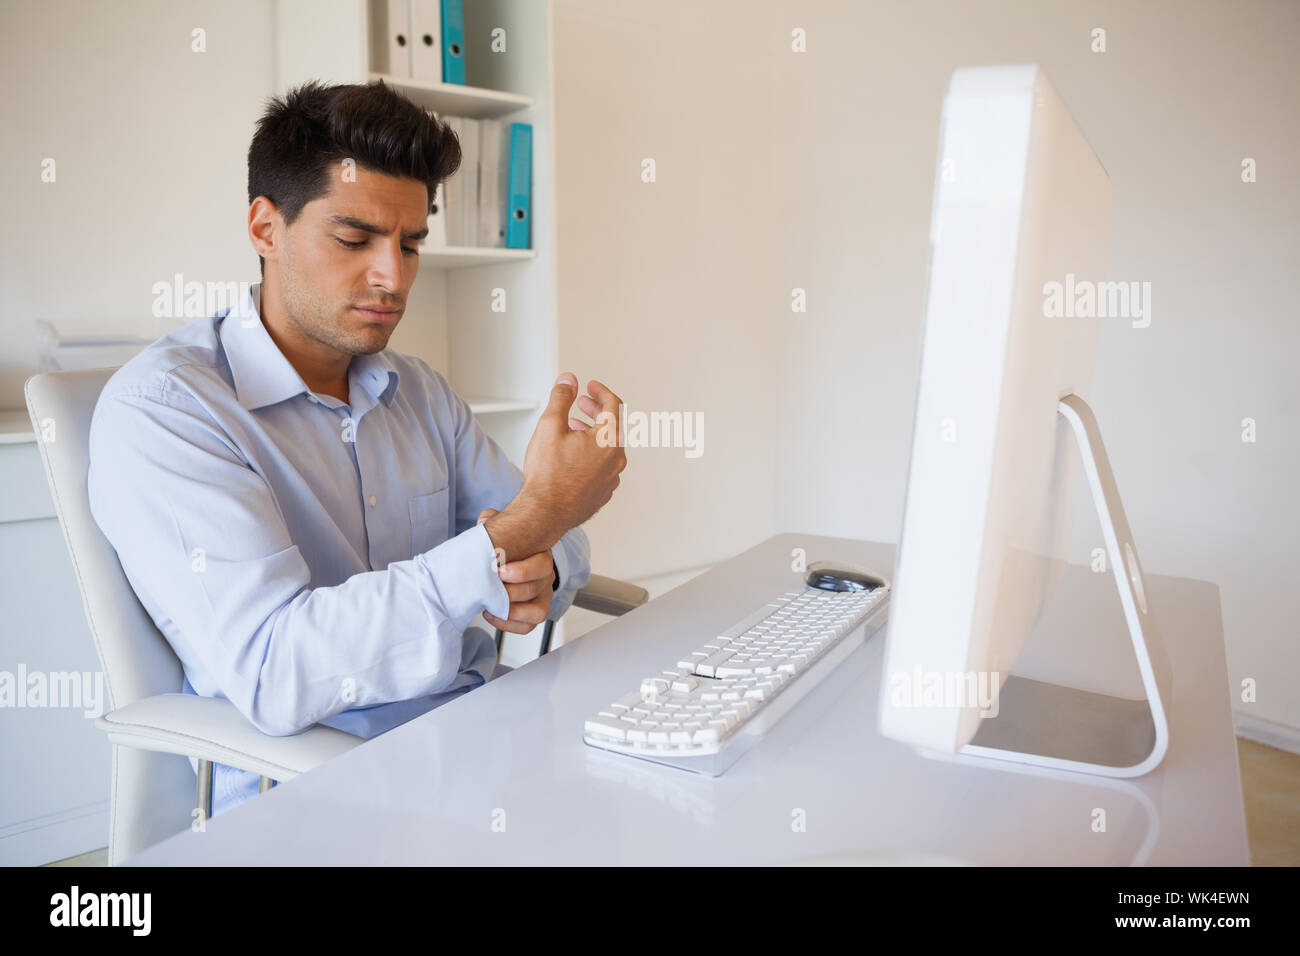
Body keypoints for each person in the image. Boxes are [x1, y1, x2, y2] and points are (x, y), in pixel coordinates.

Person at [87, 80, 626, 816]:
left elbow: (559, 546)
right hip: (320, 797)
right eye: (354, 239)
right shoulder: (167, 411)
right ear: (265, 229)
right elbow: (277, 668)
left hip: (480, 748)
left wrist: (542, 563)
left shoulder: (418, 391)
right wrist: (530, 526)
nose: (392, 277)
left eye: (410, 244)